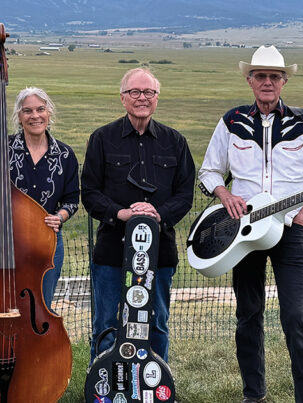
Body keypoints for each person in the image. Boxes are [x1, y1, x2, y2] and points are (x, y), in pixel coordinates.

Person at [198, 45, 303, 403]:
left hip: (291, 233)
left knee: (296, 317)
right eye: (261, 76)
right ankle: (253, 395)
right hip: (243, 233)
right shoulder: (231, 122)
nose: (268, 83)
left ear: (284, 80)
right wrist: (224, 195)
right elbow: (209, 170)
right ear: (250, 80)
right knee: (248, 315)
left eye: (274, 76)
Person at [81, 68, 195, 363]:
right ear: (122, 98)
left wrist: (158, 214)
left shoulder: (175, 142)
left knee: (156, 323)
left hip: (160, 252)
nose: (142, 98)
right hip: (111, 251)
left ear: (157, 98)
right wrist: (122, 214)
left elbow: (185, 195)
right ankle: (103, 387)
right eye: (135, 92)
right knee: (105, 324)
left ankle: (156, 388)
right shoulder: (102, 139)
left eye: (149, 92)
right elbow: (90, 192)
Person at [0, 86, 80, 311]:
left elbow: (72, 199)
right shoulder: (2, 147)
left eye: (40, 109)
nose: (35, 116)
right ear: (19, 117)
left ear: (49, 113)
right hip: (3, 242)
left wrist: (59, 217)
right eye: (27, 111)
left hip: (46, 242)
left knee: (41, 307)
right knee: (1, 303)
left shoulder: (65, 154)